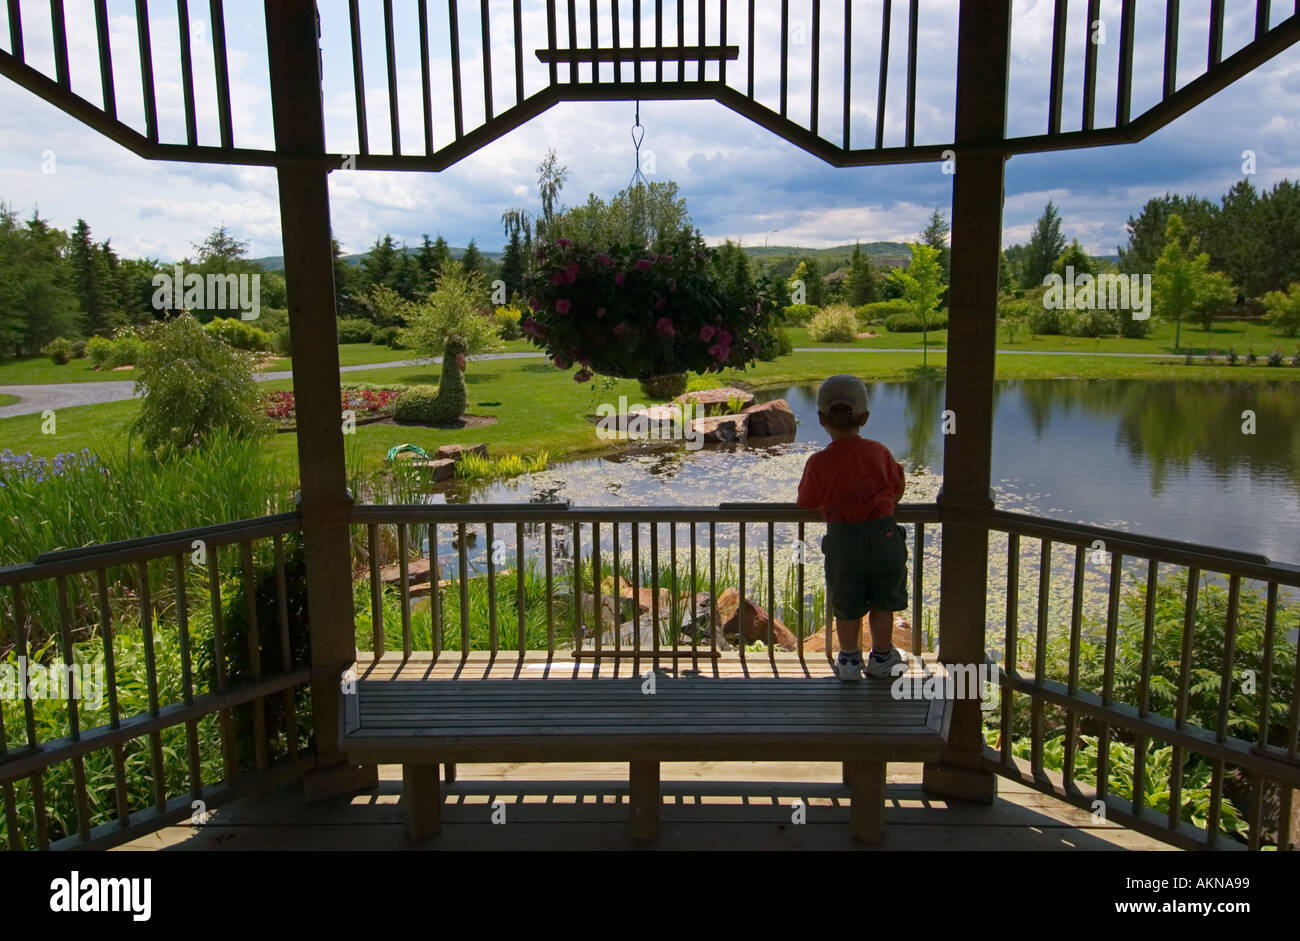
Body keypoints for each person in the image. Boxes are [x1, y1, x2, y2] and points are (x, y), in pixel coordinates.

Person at [796, 375, 907, 682]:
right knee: (883, 599)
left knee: (847, 601)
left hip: (843, 540)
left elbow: (806, 501)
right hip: (884, 535)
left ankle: (848, 661)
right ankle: (882, 656)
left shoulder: (818, 463)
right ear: (866, 417)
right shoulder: (880, 452)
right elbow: (897, 488)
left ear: (821, 420)